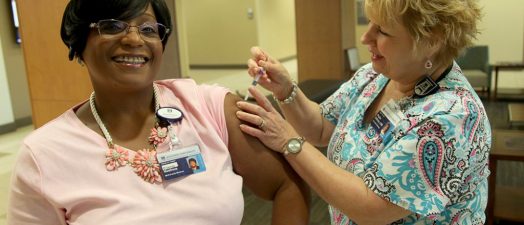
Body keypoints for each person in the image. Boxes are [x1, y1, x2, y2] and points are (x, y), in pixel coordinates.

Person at [7, 0, 310, 224]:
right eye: (113, 25)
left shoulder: (208, 107)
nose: (134, 39)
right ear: (79, 42)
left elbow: (287, 186)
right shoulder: (44, 155)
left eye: (149, 29)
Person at [236, 0, 491, 224]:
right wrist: (286, 90)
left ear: (430, 41)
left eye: (381, 30)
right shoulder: (378, 74)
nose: (365, 37)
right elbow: (322, 127)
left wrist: (289, 142)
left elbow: (370, 208)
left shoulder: (452, 117)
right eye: (370, 22)